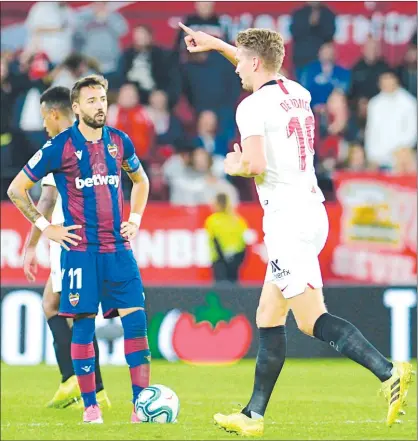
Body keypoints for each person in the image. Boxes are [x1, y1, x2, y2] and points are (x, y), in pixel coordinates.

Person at [179, 23, 414, 436]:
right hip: (311, 211)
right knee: (269, 314)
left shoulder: (250, 107)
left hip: (288, 220)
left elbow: (253, 164)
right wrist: (215, 44)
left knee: (311, 320)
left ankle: (389, 372)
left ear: (255, 62)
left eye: (240, 62)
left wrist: (232, 165)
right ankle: (252, 416)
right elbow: (254, 65)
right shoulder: (296, 92)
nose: (236, 70)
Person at [8, 75, 151, 424]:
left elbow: (141, 180)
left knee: (137, 324)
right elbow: (17, 189)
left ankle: (139, 407)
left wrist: (135, 217)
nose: (99, 105)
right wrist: (46, 228)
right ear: (75, 108)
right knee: (83, 325)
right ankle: (91, 407)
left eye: (102, 99)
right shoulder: (59, 146)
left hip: (118, 249)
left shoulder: (119, 141)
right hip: (80, 251)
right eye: (91, 100)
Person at [21, 86, 111, 409]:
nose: (44, 124)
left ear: (54, 113)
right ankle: (79, 382)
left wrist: (32, 245)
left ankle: (85, 385)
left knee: (72, 312)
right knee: (54, 304)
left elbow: (45, 200)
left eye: (44, 117)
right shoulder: (94, 141)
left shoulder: (60, 145)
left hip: (68, 237)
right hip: (89, 237)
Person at [205, 192, 247, 283]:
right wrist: (239, 259)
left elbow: (215, 241)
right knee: (233, 288)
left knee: (221, 290)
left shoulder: (212, 220)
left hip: (219, 260)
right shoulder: (238, 220)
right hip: (235, 259)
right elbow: (243, 242)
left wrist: (223, 258)